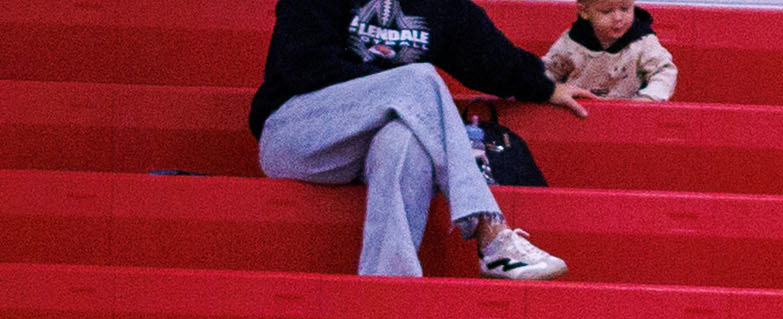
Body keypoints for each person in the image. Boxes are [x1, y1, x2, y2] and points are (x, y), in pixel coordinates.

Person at [251, 0, 584, 281]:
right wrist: (397, 87)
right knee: (419, 81)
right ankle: (490, 231)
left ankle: (386, 290)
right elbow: (305, 67)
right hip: (295, 133)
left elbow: (489, 57)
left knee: (404, 140)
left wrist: (547, 88)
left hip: (361, 148)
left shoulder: (437, 4)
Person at [543, 0, 677, 99]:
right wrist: (551, 91)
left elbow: (664, 70)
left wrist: (649, 97)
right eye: (607, 11)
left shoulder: (643, 42)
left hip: (629, 116)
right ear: (584, 11)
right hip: (578, 114)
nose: (618, 18)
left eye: (625, 8)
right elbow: (548, 71)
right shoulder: (570, 43)